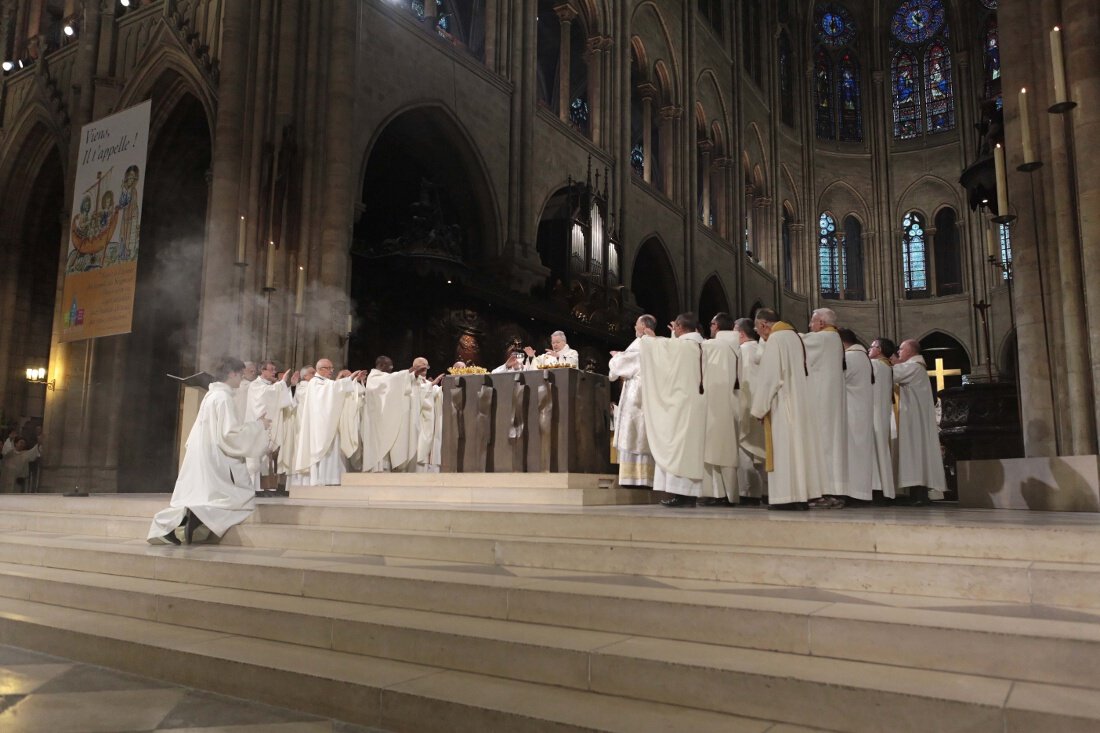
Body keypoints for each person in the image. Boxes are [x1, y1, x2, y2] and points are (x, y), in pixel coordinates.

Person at [147, 357, 269, 545]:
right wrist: (258, 426)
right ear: (232, 373)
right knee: (240, 500)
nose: (242, 379)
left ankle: (181, 524)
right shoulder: (223, 398)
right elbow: (230, 435)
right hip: (216, 458)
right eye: (241, 374)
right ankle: (194, 520)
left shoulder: (212, 396)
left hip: (204, 455)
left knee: (202, 495)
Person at [750, 308, 825, 510]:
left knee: (785, 450)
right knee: (798, 451)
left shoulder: (776, 339)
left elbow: (770, 377)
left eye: (758, 329)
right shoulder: (794, 337)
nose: (759, 333)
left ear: (764, 325)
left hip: (784, 404)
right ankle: (799, 496)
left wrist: (759, 408)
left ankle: (786, 498)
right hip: (799, 402)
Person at [641, 312, 707, 507]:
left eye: (676, 327)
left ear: (678, 326)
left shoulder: (682, 346)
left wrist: (648, 338)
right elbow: (672, 354)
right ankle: (688, 494)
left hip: (681, 404)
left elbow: (663, 352)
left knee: (678, 447)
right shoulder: (700, 345)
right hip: (695, 404)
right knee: (689, 449)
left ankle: (682, 495)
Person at [289, 358, 363, 486]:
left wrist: (352, 380)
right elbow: (332, 390)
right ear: (320, 369)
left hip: (329, 422)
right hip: (319, 426)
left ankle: (332, 479)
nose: (331, 371)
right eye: (329, 368)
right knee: (322, 450)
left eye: (332, 368)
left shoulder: (326, 383)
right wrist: (349, 379)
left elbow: (334, 389)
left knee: (333, 450)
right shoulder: (315, 383)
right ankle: (320, 480)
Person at [802, 308, 848, 508]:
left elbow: (797, 344)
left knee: (822, 445)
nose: (810, 326)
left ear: (821, 323)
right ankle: (833, 491)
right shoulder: (834, 339)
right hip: (831, 402)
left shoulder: (822, 339)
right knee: (830, 445)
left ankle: (824, 492)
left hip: (821, 402)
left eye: (812, 322)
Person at [892, 339, 947, 505]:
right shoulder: (915, 367)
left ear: (911, 351)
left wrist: (887, 362)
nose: (899, 352)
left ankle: (918, 495)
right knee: (916, 454)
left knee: (915, 454)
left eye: (901, 349)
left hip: (913, 421)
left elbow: (891, 374)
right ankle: (917, 494)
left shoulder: (914, 367)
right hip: (913, 418)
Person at [609, 315, 658, 488]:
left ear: (643, 326)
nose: (634, 327)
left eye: (636, 324)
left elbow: (622, 365)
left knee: (633, 432)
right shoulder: (658, 343)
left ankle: (633, 479)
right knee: (644, 432)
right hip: (652, 392)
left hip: (636, 392)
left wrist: (615, 357)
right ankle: (647, 477)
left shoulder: (640, 343)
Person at [700, 312, 742, 506]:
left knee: (715, 449)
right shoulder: (736, 346)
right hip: (732, 402)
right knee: (725, 449)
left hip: (715, 402)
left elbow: (689, 351)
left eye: (711, 324)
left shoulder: (713, 345)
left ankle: (719, 494)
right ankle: (729, 494)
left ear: (716, 326)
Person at [245, 360, 297, 491]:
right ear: (262, 371)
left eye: (275, 369)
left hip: (268, 426)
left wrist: (290, 385)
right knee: (254, 460)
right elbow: (266, 395)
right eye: (272, 369)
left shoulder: (271, 385)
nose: (274, 372)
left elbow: (281, 400)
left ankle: (265, 487)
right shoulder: (255, 385)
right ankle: (252, 488)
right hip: (256, 427)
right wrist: (282, 382)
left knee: (266, 459)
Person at [733, 318, 767, 504]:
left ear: (740, 333)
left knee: (745, 447)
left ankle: (748, 492)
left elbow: (741, 380)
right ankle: (765, 491)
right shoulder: (760, 348)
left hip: (747, 404)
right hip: (762, 405)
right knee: (761, 451)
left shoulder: (744, 351)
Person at [839, 328, 874, 504]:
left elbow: (837, 380)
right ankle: (859, 493)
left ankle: (854, 494)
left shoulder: (851, 357)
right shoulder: (863, 357)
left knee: (852, 454)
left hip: (851, 411)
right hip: (860, 410)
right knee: (859, 454)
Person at [868, 337, 898, 501]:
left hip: (873, 412)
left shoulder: (874, 365)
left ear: (879, 349)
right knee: (881, 450)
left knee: (874, 450)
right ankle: (883, 490)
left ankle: (876, 490)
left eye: (872, 347)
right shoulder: (888, 367)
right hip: (882, 413)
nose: (868, 350)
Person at [411, 357, 445, 472]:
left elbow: (436, 393)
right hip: (418, 422)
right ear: (415, 367)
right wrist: (432, 384)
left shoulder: (427, 383)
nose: (425, 368)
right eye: (422, 366)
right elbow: (416, 395)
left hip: (429, 424)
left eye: (426, 366)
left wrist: (442, 387)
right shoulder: (412, 381)